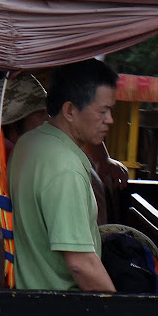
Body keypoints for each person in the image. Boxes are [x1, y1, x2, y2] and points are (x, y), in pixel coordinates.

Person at [9, 59, 118, 292]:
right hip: (59, 307)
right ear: (69, 110)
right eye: (103, 111)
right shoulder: (65, 169)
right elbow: (80, 265)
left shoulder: (28, 142)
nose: (110, 120)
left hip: (29, 292)